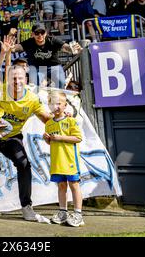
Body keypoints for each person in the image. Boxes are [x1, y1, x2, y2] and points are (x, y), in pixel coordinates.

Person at [0, 65, 52, 222]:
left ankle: (26, 206)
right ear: (8, 80)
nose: (17, 81)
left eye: (20, 78)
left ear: (25, 80)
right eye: (13, 78)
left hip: (12, 137)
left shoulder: (32, 99)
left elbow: (46, 118)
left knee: (24, 163)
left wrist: (61, 118)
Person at [43, 91, 83, 227]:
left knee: (74, 185)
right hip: (57, 161)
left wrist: (60, 137)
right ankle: (63, 212)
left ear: (65, 105)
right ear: (49, 106)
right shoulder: (48, 124)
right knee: (61, 186)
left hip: (70, 160)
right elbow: (51, 143)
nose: (56, 107)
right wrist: (47, 140)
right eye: (53, 104)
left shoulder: (71, 121)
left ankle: (78, 214)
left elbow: (78, 138)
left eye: (59, 103)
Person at [13, 23, 81, 88]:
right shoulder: (30, 42)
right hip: (37, 67)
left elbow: (64, 46)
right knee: (35, 86)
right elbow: (18, 47)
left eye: (42, 32)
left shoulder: (52, 40)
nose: (40, 35)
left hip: (53, 66)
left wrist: (71, 48)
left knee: (61, 82)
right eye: (37, 33)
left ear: (45, 33)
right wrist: (11, 47)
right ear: (32, 34)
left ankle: (59, 98)